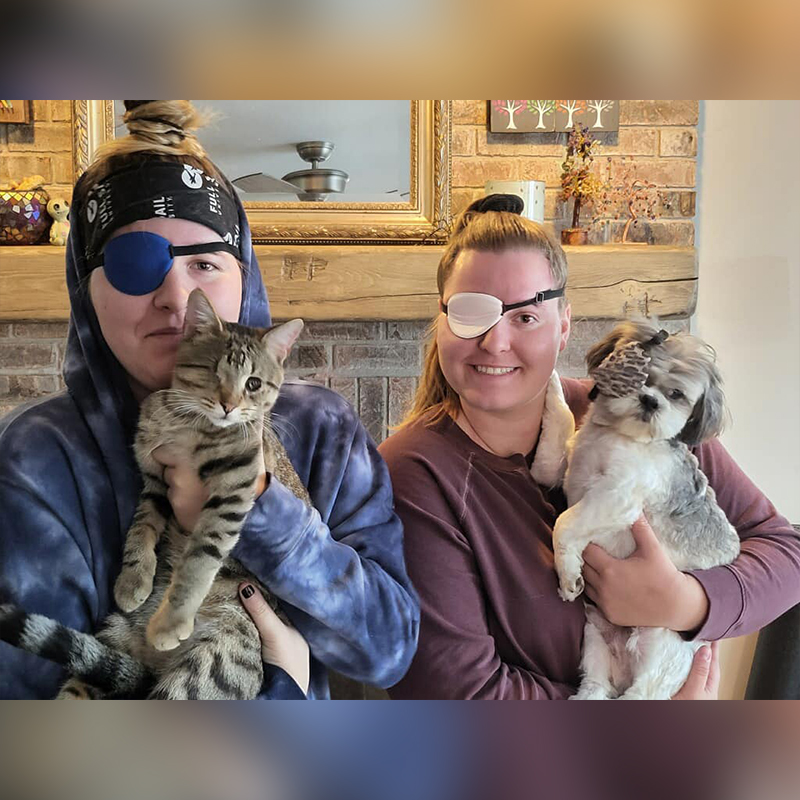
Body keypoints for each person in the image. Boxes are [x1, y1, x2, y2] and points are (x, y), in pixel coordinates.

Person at [0, 100, 419, 699]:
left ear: (244, 275)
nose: (176, 297)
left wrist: (263, 513)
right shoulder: (37, 456)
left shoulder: (321, 427)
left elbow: (388, 650)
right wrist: (284, 689)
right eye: (133, 265)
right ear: (85, 288)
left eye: (205, 263)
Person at [379, 193, 800, 699]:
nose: (495, 342)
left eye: (526, 317)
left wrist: (683, 603)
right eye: (472, 312)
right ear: (442, 319)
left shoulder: (637, 417)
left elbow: (785, 553)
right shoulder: (412, 473)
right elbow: (459, 695)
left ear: (564, 327)